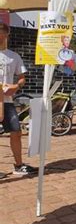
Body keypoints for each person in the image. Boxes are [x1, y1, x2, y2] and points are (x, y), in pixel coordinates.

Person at [0, 23, 36, 175]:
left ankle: (18, 165)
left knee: (16, 131)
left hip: (7, 102)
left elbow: (22, 78)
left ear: (7, 34)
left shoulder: (14, 56)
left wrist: (16, 86)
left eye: (2, 33)